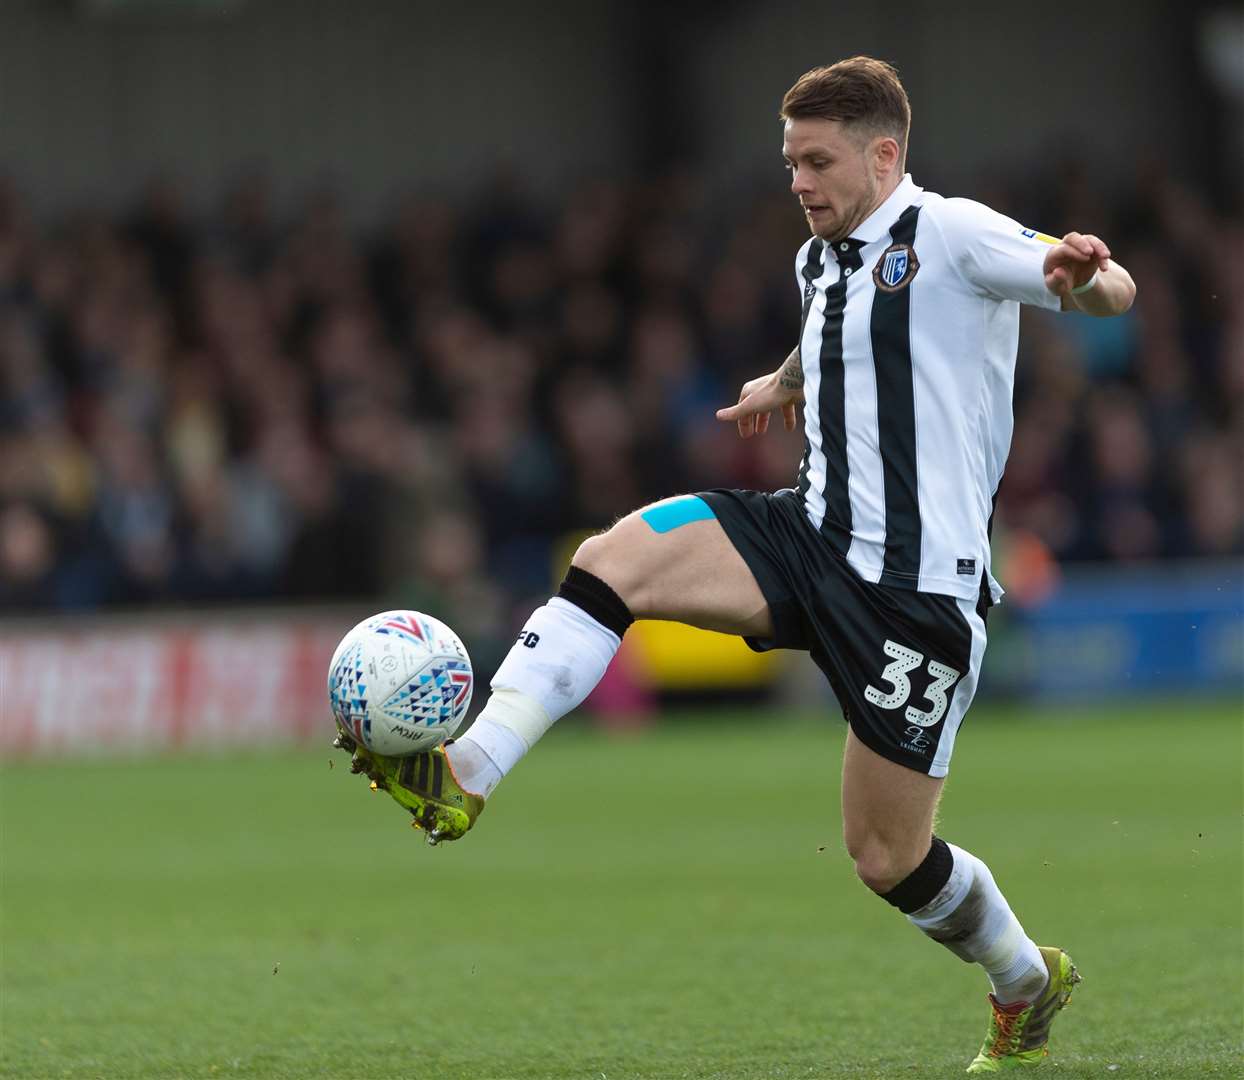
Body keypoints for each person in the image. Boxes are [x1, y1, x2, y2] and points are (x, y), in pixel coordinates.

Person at [333, 56, 1135, 1073]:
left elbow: (1102, 288)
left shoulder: (952, 233)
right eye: (788, 160)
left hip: (914, 591)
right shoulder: (818, 257)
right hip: (805, 534)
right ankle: (464, 776)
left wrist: (1090, 275)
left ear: (883, 156)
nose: (796, 180)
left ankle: (1025, 982)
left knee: (885, 858)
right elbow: (842, 328)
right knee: (613, 559)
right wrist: (783, 378)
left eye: (816, 160)